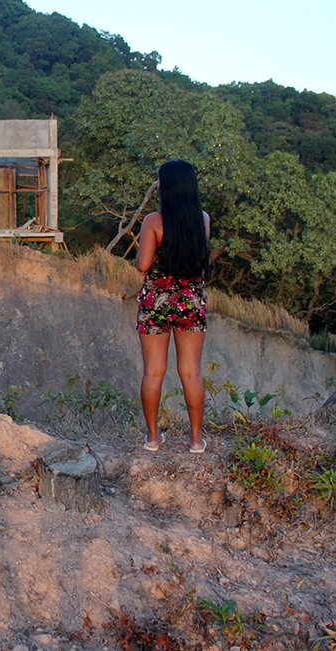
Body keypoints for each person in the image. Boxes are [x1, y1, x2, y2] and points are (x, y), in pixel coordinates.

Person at [134, 159, 211, 454]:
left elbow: (142, 265)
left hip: (157, 300)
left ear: (165, 187)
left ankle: (153, 439)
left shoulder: (153, 222)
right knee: (191, 372)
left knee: (153, 372)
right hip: (190, 300)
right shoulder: (202, 219)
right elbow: (198, 262)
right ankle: (195, 441)